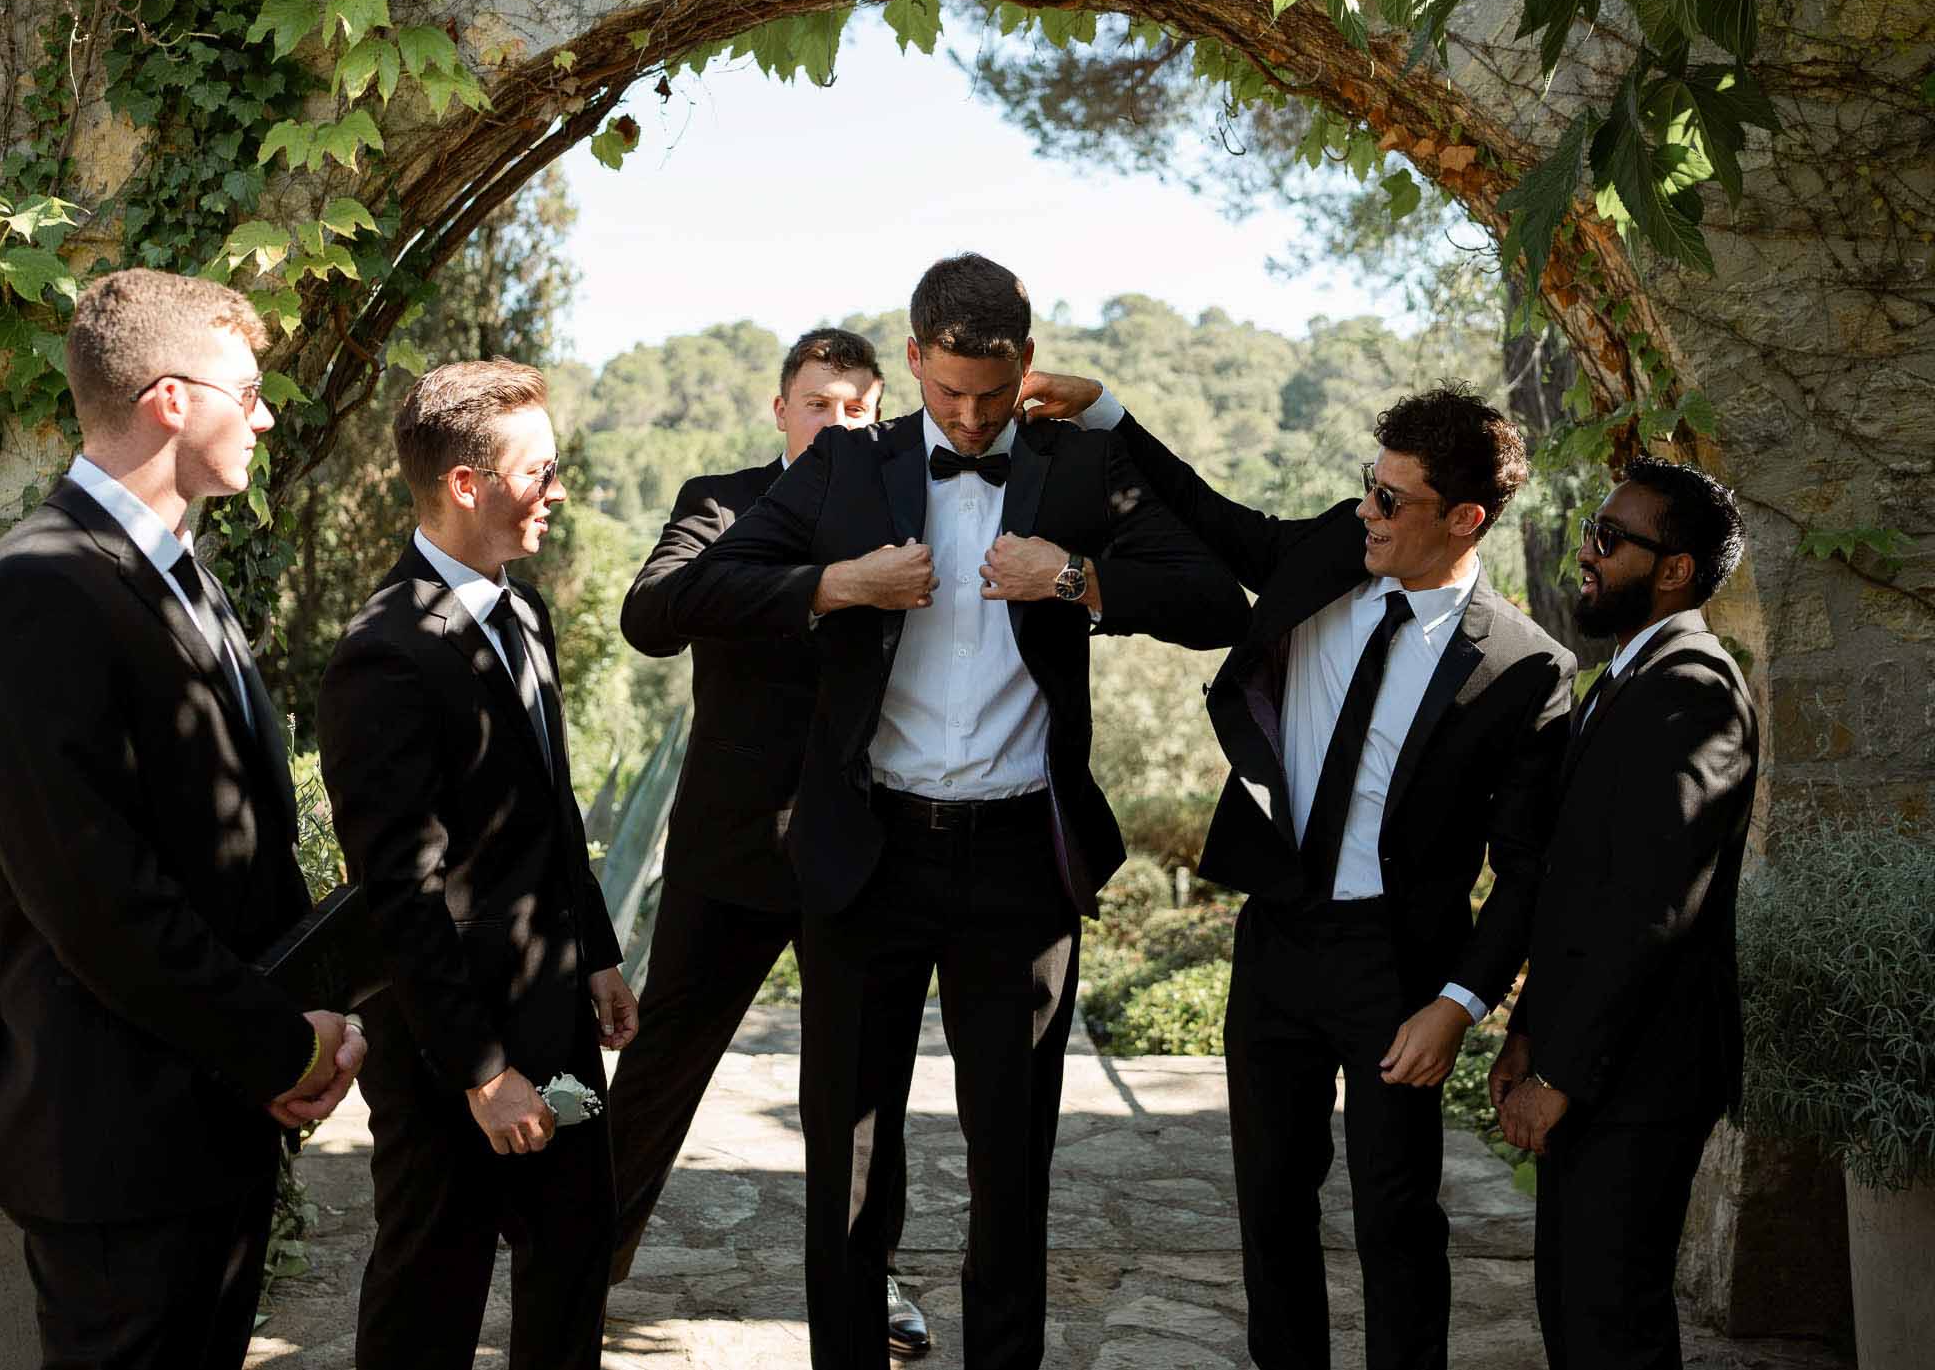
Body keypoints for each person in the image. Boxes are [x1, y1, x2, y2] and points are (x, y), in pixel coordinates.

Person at [667, 253, 1250, 1370]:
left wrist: (1075, 578)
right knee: (842, 1158)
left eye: (991, 395)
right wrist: (838, 585)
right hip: (865, 854)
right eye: (946, 394)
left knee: (1012, 1160)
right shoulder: (843, 467)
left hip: (1018, 867)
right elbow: (690, 593)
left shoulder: (1081, 466)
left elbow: (1216, 598)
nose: (972, 419)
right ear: (912, 359)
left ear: (1027, 363)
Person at [1022, 371, 1575, 1370]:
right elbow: (1213, 517)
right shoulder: (1332, 546)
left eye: (1389, 499)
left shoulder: (1524, 670)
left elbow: (1525, 869)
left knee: (1394, 1219)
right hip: (1275, 934)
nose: (1365, 508)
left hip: (1395, 965)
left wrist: (1456, 1003)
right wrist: (1106, 416)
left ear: (1464, 518)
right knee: (1270, 1207)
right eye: (1368, 481)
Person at [0, 267, 365, 1369]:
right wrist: (278, 1040)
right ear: (172, 399)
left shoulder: (187, 581)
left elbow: (232, 843)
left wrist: (314, 1019)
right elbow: (95, 900)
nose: (267, 414)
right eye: (251, 387)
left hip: (215, 1112)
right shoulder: (35, 591)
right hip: (113, 1143)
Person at [609, 327, 932, 1354]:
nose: (835, 421)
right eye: (816, 401)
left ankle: (867, 1281)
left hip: (860, 849)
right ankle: (584, 1256)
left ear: (875, 414)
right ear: (779, 408)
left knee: (862, 1090)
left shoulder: (909, 508)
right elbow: (654, 611)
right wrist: (827, 585)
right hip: (728, 842)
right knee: (661, 1062)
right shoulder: (722, 498)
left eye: (854, 406)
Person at [318, 358, 639, 1370]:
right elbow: (397, 891)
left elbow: (550, 803)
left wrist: (594, 950)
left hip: (554, 1004)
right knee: (432, 1285)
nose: (556, 490)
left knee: (575, 1252)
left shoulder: (525, 613)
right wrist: (481, 1071)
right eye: (539, 471)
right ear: (468, 484)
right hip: (443, 1038)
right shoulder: (384, 652)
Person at [1490, 457, 1756, 1370]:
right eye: (1590, 532)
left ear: (1674, 568)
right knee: (1573, 1317)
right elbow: (1580, 887)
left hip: (1641, 1077)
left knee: (1613, 1332)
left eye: (1611, 537)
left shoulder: (1695, 689)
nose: (1587, 554)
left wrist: (1563, 1070)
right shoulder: (1628, 679)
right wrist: (1528, 1030)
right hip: (1595, 1064)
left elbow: (1652, 905)